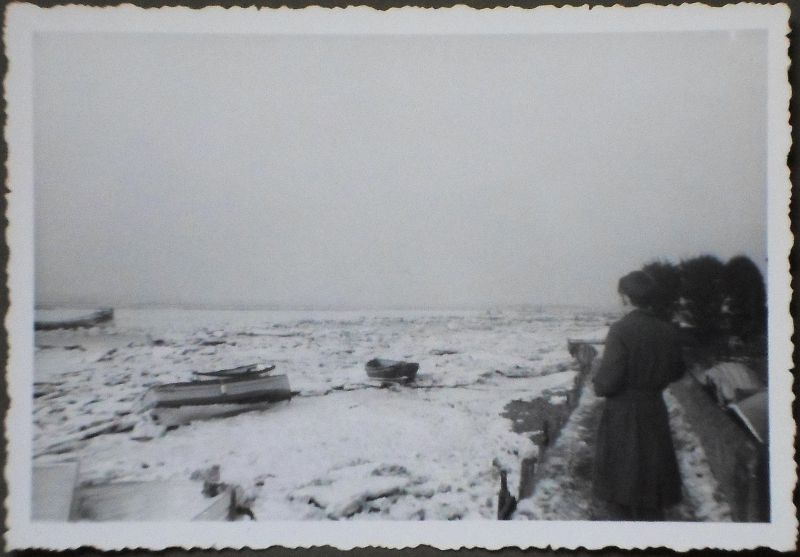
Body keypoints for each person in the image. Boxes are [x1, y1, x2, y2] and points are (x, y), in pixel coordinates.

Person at [592, 270, 685, 520]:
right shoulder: (668, 331)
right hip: (654, 411)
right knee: (652, 487)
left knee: (621, 488)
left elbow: (606, 384)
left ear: (625, 298)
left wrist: (596, 378)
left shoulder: (620, 330)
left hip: (623, 416)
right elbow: (678, 371)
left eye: (619, 296)